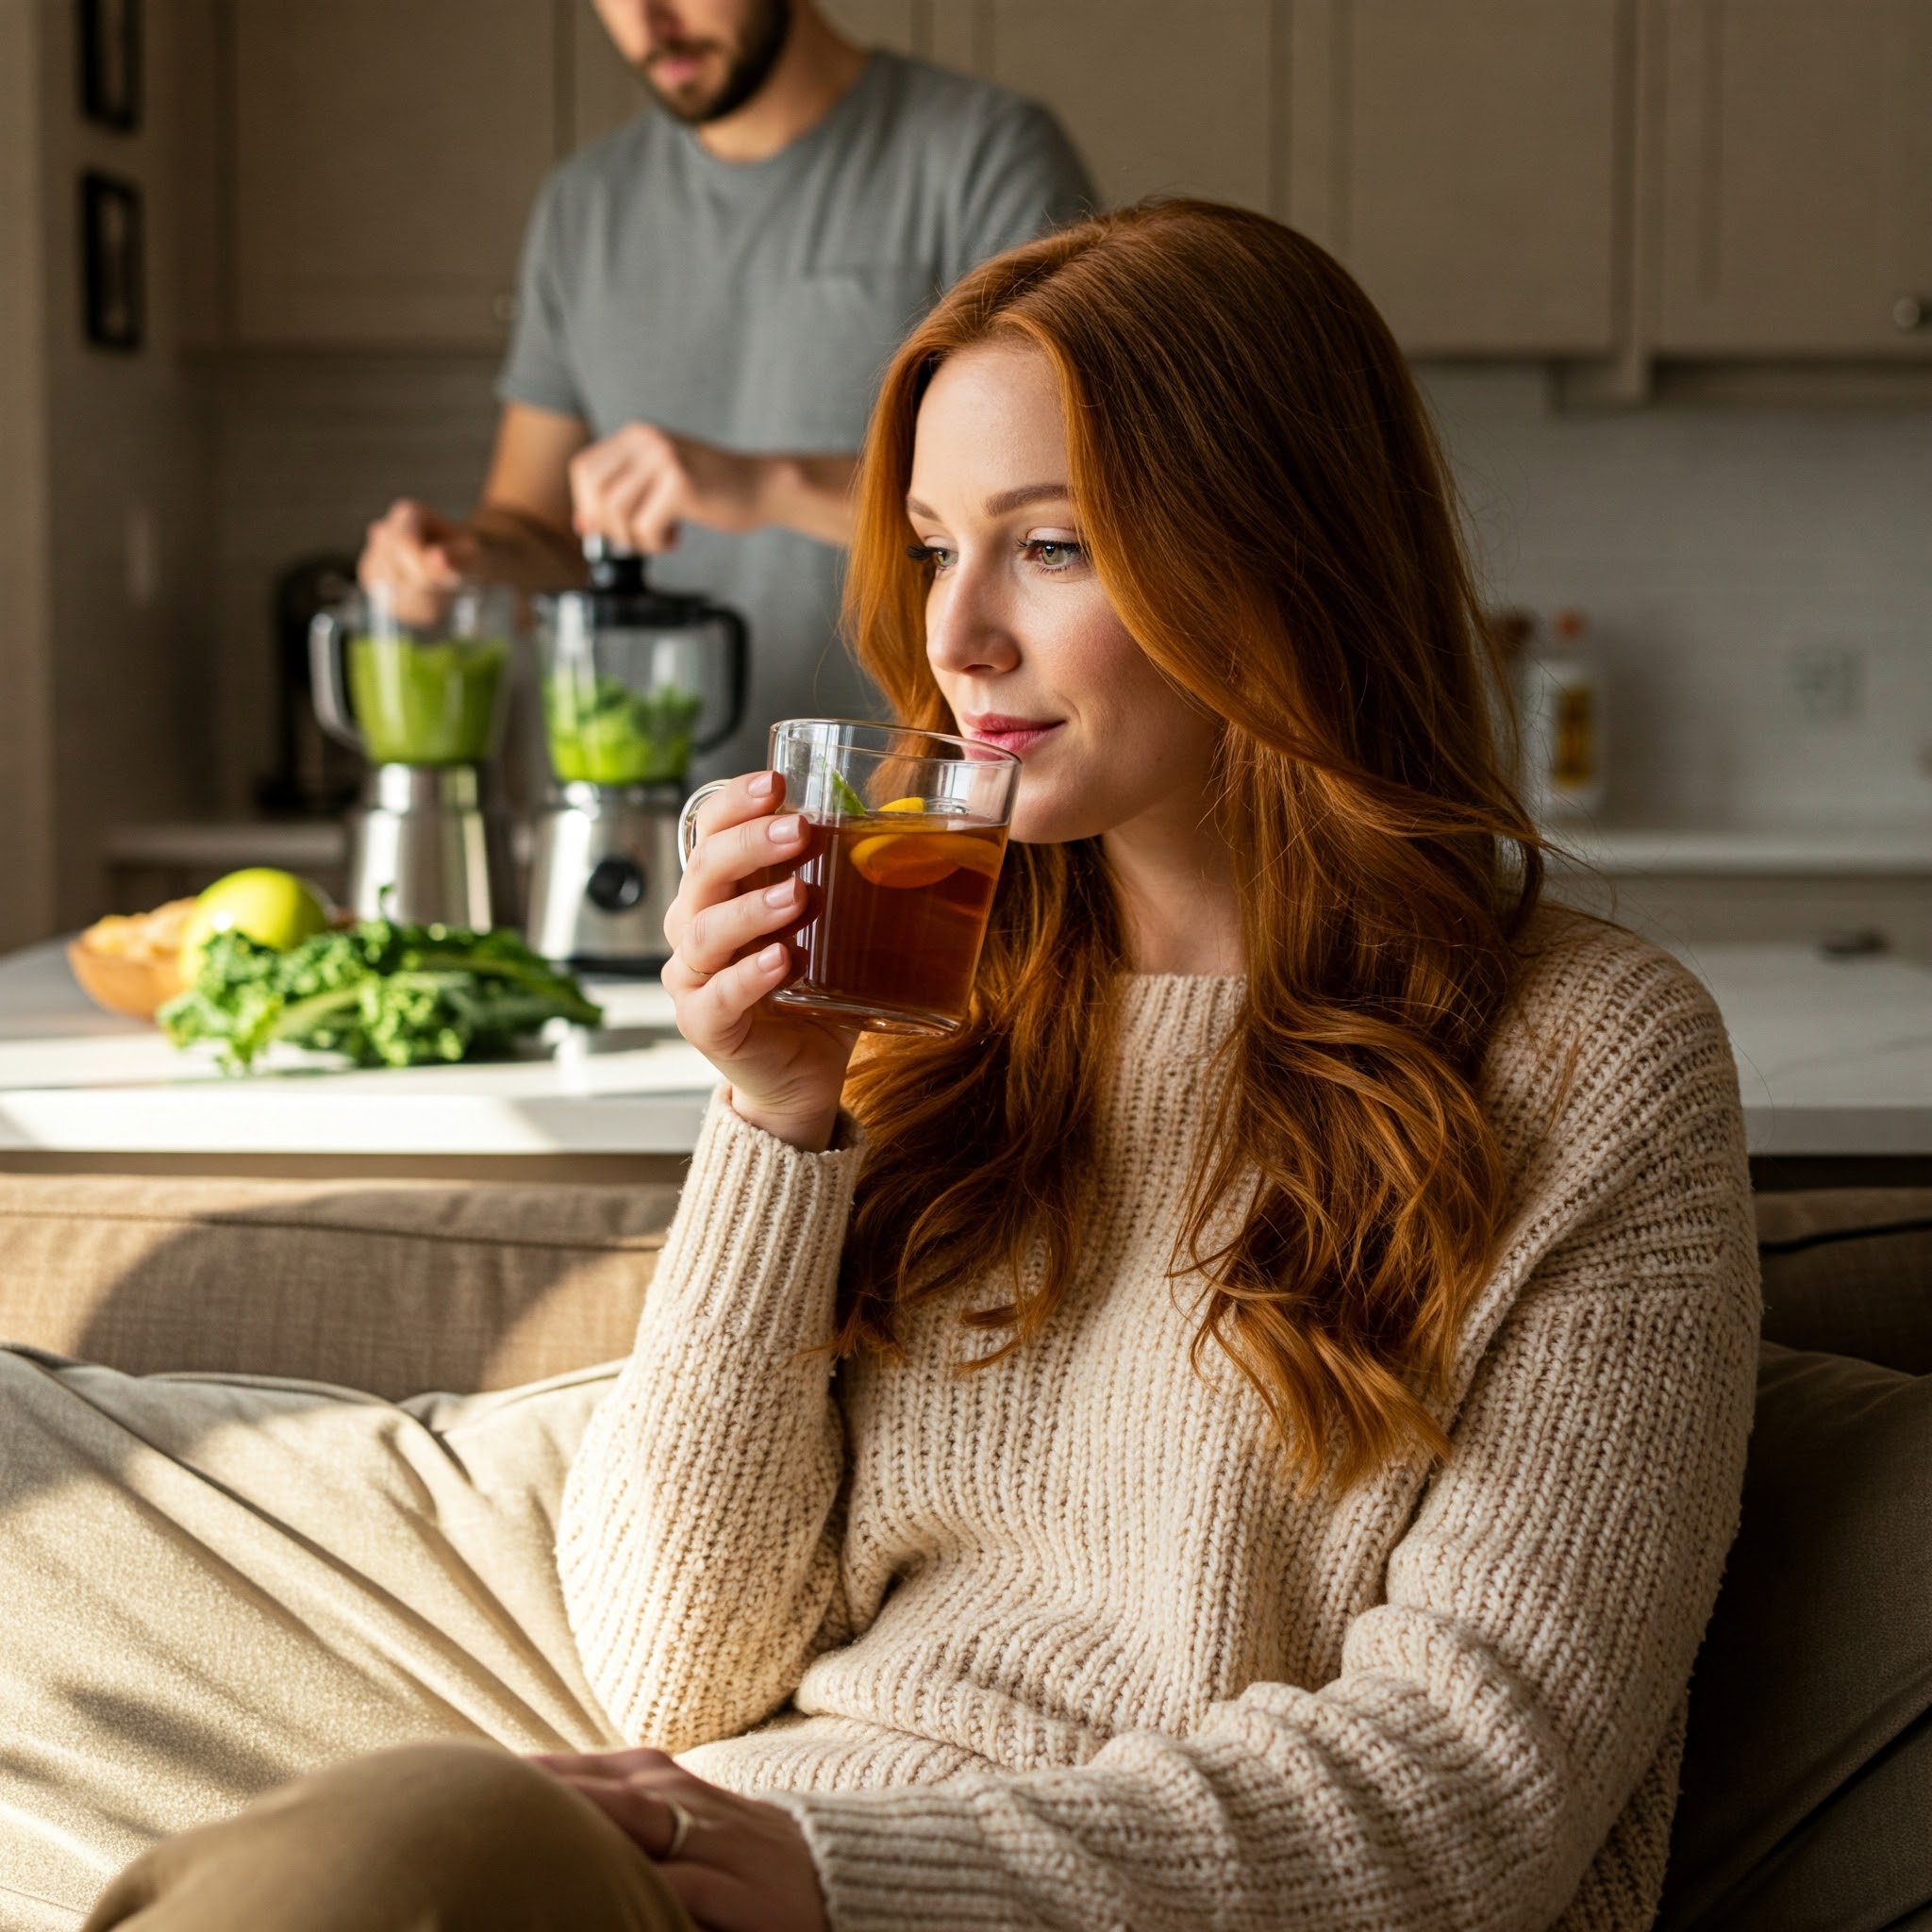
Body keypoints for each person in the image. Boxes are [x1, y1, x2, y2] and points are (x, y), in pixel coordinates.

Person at [3, 202, 1761, 1932]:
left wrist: (844, 1874)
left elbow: (1472, 1788)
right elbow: (678, 1655)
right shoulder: (941, 996)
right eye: (933, 545)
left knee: (400, 1844)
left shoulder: (1590, 1063)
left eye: (1048, 546)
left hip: (913, 1891)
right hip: (750, 1836)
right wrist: (774, 1114)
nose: (957, 635)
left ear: (1273, 558)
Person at [356, 0, 1092, 777]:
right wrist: (461, 559)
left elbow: (1068, 511)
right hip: (656, 806)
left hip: (911, 800)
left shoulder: (984, 153)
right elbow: (539, 530)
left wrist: (763, 484)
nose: (650, 20)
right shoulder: (585, 207)